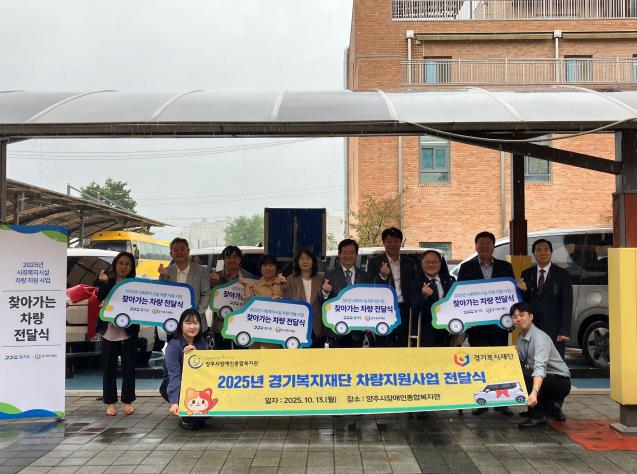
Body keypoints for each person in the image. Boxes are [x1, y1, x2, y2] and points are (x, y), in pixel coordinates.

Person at [457, 231, 515, 416]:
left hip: (499, 326)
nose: (484, 247)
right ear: (476, 246)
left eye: (488, 243)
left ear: (493, 246)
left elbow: (511, 294)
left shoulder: (505, 267)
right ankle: (481, 402)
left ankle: (501, 402)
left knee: (499, 362)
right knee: (479, 363)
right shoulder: (466, 268)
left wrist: (511, 320)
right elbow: (460, 295)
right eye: (481, 243)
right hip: (477, 326)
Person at [510, 302, 571, 428]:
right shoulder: (521, 337)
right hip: (546, 379)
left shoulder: (539, 338)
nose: (518, 319)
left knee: (526, 375)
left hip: (560, 382)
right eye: (514, 317)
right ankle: (552, 407)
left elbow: (539, 368)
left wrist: (534, 392)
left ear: (531, 316)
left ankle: (538, 416)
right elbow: (521, 360)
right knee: (519, 371)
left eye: (522, 315)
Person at [96, 251, 138, 417]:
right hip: (109, 331)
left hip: (129, 332)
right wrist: (104, 283)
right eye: (120, 263)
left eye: (127, 264)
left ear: (131, 267)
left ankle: (128, 402)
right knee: (109, 368)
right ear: (115, 265)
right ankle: (110, 402)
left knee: (129, 368)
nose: (123, 267)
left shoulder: (135, 284)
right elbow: (99, 297)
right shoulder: (107, 280)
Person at [518, 239, 573, 358]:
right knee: (533, 361)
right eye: (538, 250)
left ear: (551, 252)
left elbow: (567, 304)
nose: (543, 253)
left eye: (546, 250)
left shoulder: (562, 274)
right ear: (534, 253)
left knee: (554, 363)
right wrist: (522, 291)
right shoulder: (526, 274)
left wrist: (565, 331)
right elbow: (525, 303)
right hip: (532, 328)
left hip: (555, 329)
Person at [367, 227, 418, 347]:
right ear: (384, 243)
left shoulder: (410, 263)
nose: (392, 245)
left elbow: (414, 285)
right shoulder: (374, 262)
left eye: (396, 241)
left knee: (403, 341)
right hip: (383, 309)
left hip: (404, 308)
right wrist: (382, 276)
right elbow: (370, 287)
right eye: (389, 241)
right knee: (383, 342)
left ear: (401, 242)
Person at [160, 308, 209, 430]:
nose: (192, 327)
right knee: (194, 421)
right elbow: (174, 375)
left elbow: (206, 370)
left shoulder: (201, 343)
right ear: (181, 325)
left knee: (206, 410)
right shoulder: (173, 346)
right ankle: (185, 415)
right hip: (176, 384)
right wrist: (175, 402)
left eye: (196, 323)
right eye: (188, 323)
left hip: (195, 384)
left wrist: (196, 355)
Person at [319, 238, 372, 348]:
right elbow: (321, 301)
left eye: (352, 253)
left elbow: (370, 302)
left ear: (356, 254)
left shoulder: (365, 276)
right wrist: (325, 292)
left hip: (358, 331)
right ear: (339, 254)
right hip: (336, 331)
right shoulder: (330, 274)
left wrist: (370, 322)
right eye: (344, 253)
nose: (348, 256)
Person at [159, 238, 211, 334]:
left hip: (196, 324)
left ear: (188, 251)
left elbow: (206, 294)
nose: (179, 252)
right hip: (173, 324)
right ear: (171, 254)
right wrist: (162, 276)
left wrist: (196, 315)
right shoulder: (167, 271)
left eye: (182, 249)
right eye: (176, 250)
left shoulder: (201, 271)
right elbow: (161, 294)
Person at [239, 254, 287, 349]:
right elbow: (247, 308)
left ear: (276, 268)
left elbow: (292, 304)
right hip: (259, 333)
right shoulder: (253, 286)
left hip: (280, 332)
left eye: (271, 265)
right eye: (264, 265)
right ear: (260, 268)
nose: (267, 268)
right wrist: (246, 287)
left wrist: (284, 292)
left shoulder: (284, 284)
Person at [409, 250, 455, 347]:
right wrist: (423, 295)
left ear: (440, 263)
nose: (431, 265)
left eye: (434, 262)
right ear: (422, 263)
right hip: (425, 334)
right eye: (427, 262)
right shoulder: (415, 282)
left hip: (447, 331)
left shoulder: (449, 280)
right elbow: (414, 308)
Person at [209, 246, 252, 349]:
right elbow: (208, 297)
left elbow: (252, 301)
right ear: (224, 259)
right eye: (228, 257)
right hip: (220, 325)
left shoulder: (249, 277)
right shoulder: (215, 277)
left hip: (242, 326)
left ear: (240, 259)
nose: (232, 260)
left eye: (235, 257)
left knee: (241, 356)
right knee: (222, 356)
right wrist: (215, 282)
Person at [283, 248, 326, 348]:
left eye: (308, 258)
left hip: (317, 327)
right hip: (297, 328)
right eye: (302, 259)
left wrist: (326, 292)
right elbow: (287, 304)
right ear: (297, 262)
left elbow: (326, 300)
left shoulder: (322, 278)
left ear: (313, 261)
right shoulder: (290, 280)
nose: (305, 261)